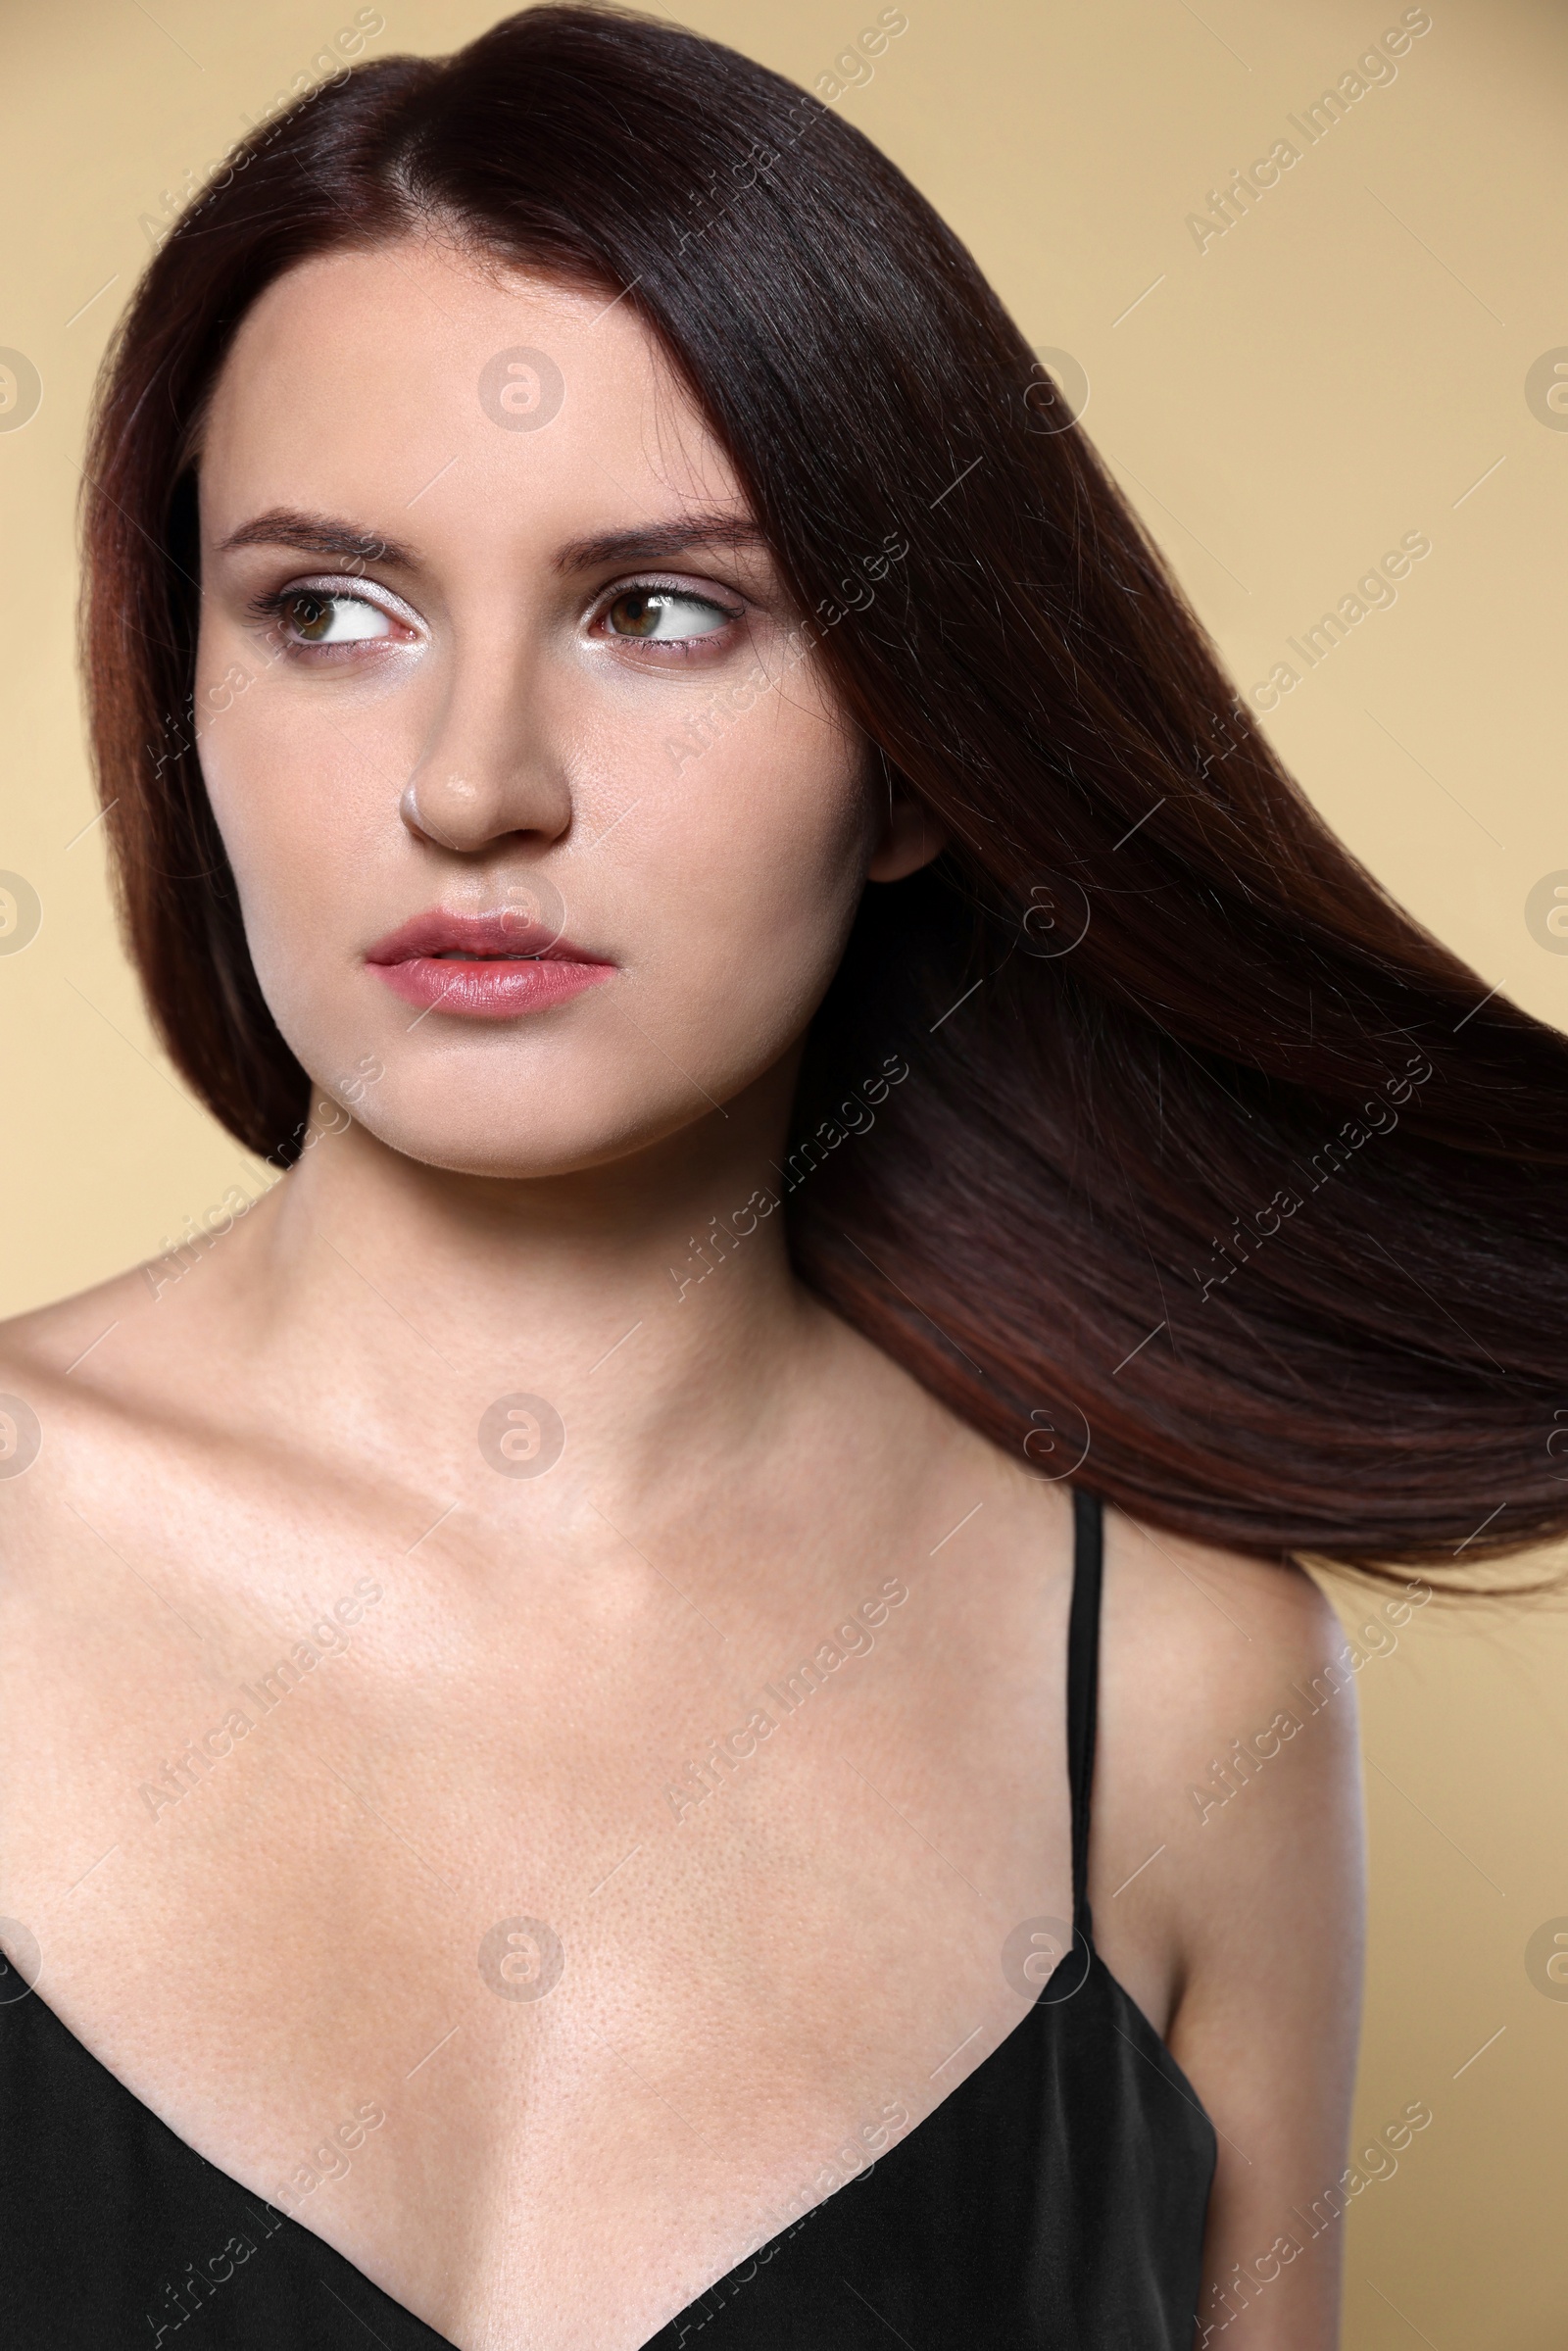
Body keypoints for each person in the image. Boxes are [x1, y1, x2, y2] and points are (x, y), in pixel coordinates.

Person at [1, 8, 1563, 2346]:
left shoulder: (1167, 1689)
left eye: (660, 611)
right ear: (178, 691)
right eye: (331, 608)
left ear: (919, 752)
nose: (475, 783)